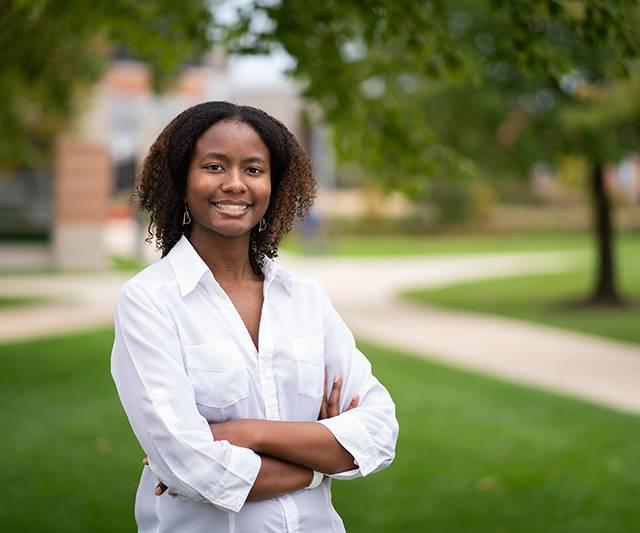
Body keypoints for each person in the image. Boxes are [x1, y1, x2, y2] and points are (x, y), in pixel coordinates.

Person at [110, 101, 398, 533]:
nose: (234, 184)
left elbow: (378, 431)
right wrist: (319, 461)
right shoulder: (150, 301)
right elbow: (190, 467)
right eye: (213, 166)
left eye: (253, 169)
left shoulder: (305, 298)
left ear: (273, 184)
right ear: (181, 182)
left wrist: (249, 433)